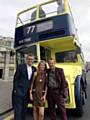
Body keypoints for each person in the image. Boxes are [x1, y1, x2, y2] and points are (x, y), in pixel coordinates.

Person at [12, 53, 36, 120]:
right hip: (19, 91)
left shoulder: (34, 69)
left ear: (33, 60)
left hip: (27, 93)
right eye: (28, 59)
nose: (30, 60)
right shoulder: (20, 67)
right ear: (26, 59)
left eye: (31, 59)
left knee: (24, 109)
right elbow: (16, 79)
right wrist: (15, 90)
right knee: (18, 110)